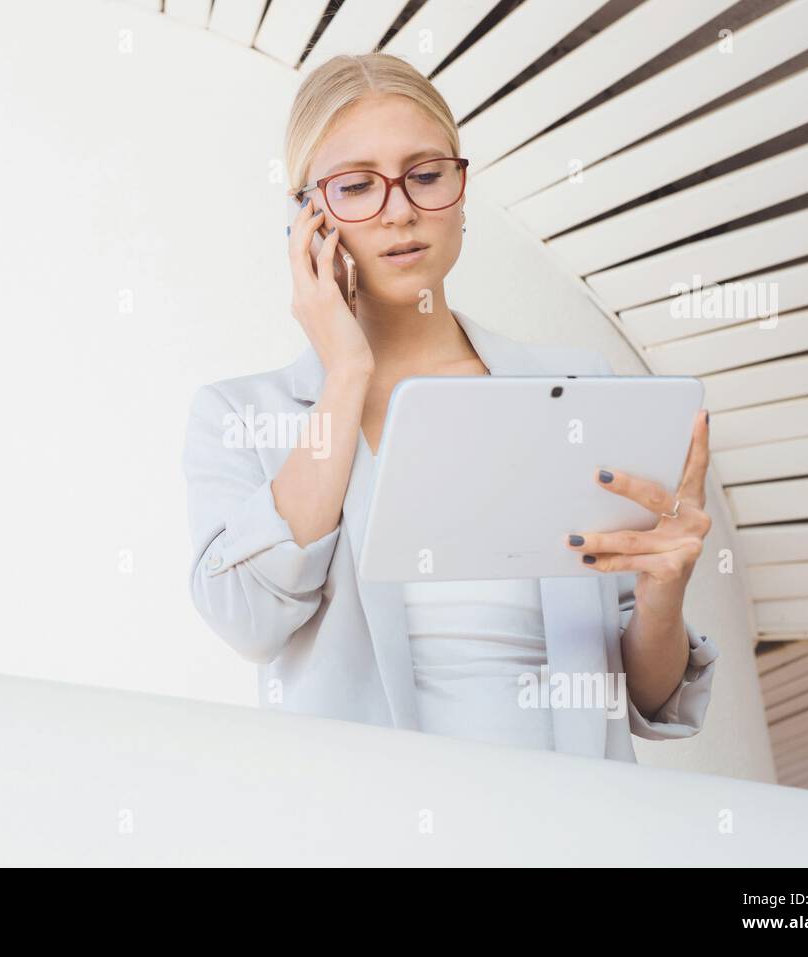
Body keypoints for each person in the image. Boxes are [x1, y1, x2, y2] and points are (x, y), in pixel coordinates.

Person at [182, 53, 718, 762]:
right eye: (357, 185)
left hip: (577, 825)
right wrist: (346, 373)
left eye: (426, 175)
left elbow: (649, 697)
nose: (400, 210)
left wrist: (661, 594)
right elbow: (247, 618)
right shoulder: (243, 416)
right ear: (305, 218)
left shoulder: (578, 387)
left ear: (460, 193)